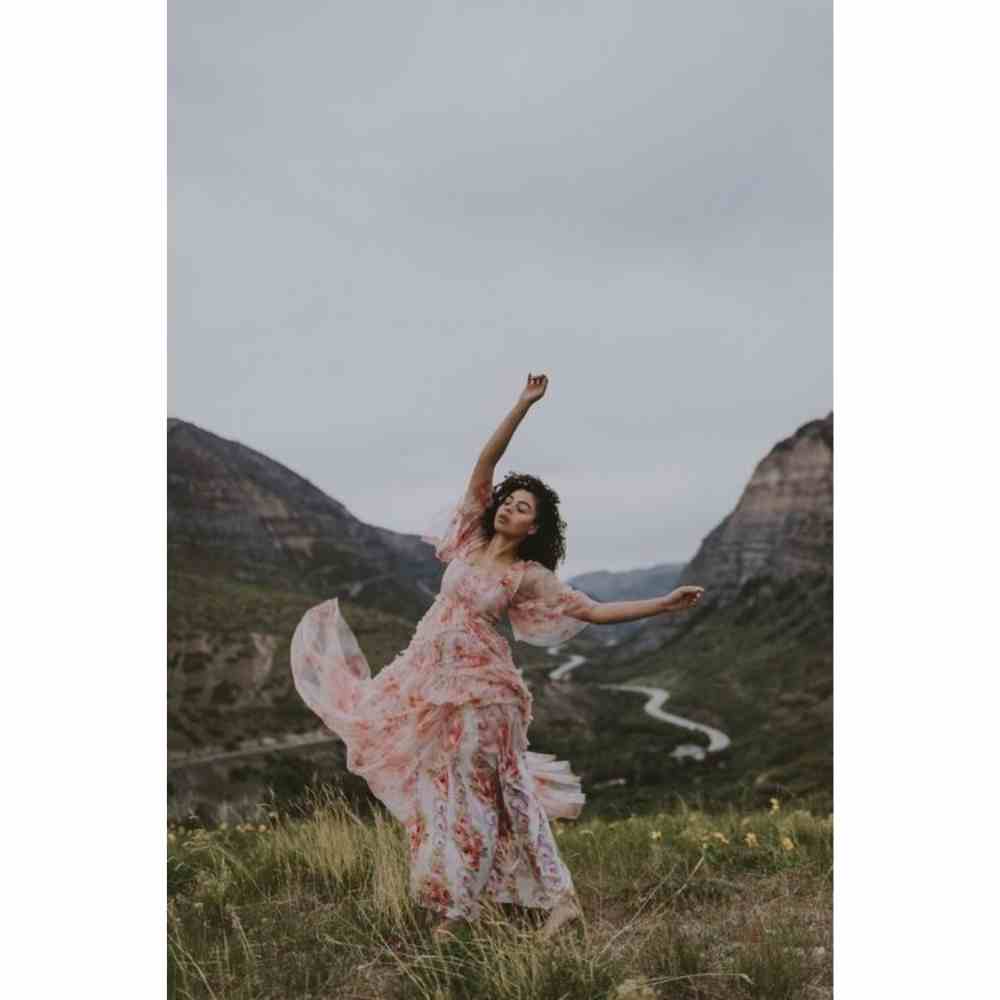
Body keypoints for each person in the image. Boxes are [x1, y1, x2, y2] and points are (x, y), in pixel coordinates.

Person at [289, 373, 705, 940]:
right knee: (446, 787)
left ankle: (476, 909)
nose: (510, 506)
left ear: (535, 526)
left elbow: (591, 610)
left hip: (485, 692)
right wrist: (521, 406)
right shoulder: (467, 541)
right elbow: (486, 464)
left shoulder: (526, 576)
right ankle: (484, 898)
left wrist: (664, 603)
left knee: (498, 790)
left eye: (523, 506)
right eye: (509, 500)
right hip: (431, 682)